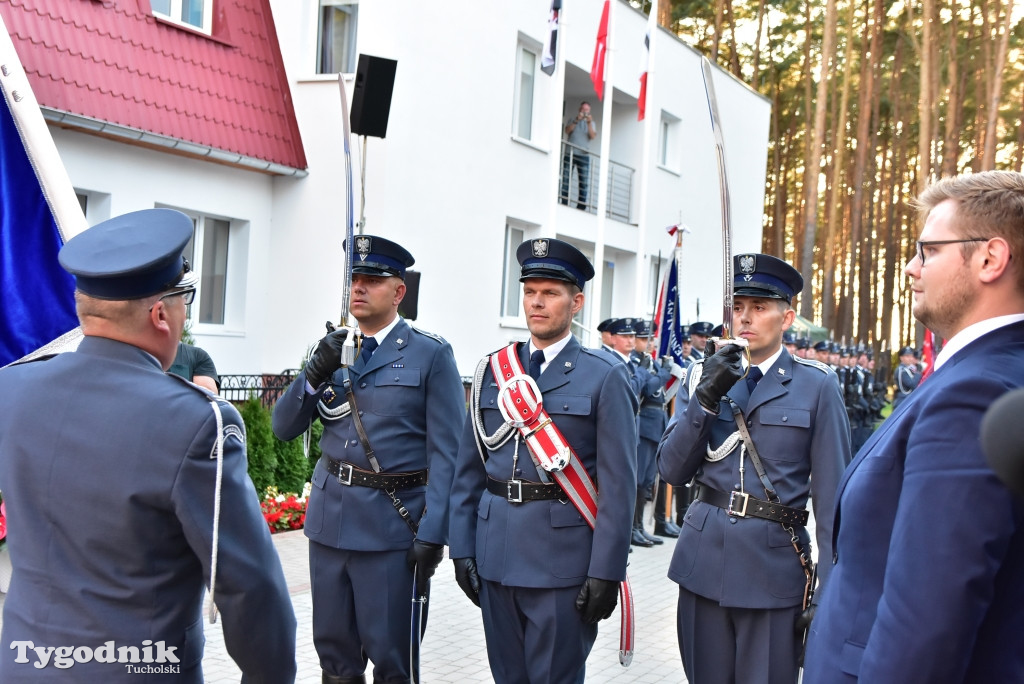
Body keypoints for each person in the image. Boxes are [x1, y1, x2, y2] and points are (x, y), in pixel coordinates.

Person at [0, 208, 296, 682]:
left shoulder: (10, 390)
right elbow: (248, 588)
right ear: (161, 314)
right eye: (185, 300)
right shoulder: (197, 421)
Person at [803, 171, 1024, 682]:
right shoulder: (987, 372)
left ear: (990, 258)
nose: (909, 268)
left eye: (928, 251)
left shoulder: (976, 393)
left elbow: (926, 625)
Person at [272, 235, 464, 684]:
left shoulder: (430, 354)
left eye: (371, 280)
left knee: (394, 662)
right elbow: (283, 427)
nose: (358, 288)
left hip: (392, 531)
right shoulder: (332, 349)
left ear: (399, 291)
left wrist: (435, 533)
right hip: (331, 524)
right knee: (335, 661)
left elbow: (448, 455)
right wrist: (312, 373)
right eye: (353, 279)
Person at [449, 237, 638, 684]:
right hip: (496, 554)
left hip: (563, 565)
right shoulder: (494, 370)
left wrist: (606, 571)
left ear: (576, 302)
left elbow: (619, 487)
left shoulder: (604, 376)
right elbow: (468, 468)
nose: (537, 302)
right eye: (530, 291)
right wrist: (461, 547)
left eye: (550, 293)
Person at [658, 253, 850, 684]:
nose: (745, 318)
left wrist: (829, 590)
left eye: (759, 308)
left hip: (773, 573)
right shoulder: (702, 376)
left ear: (787, 317)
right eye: (738, 307)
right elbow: (671, 471)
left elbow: (834, 499)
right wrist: (706, 398)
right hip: (703, 566)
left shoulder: (816, 385)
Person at [632, 318, 678, 541]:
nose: (649, 344)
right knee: (639, 479)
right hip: (645, 425)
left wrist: (665, 370)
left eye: (651, 340)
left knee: (649, 479)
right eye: (644, 340)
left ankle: (640, 527)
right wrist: (663, 374)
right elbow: (649, 388)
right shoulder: (637, 362)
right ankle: (633, 529)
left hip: (657, 424)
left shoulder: (651, 363)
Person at [560, 101, 597, 210]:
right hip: (569, 153)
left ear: (589, 112)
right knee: (566, 179)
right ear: (579, 109)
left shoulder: (592, 123)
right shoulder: (572, 119)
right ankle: (564, 202)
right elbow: (567, 130)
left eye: (586, 110)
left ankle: (581, 206)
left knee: (583, 182)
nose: (584, 112)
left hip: (583, 155)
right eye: (583, 109)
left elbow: (592, 136)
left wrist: (589, 123)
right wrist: (577, 120)